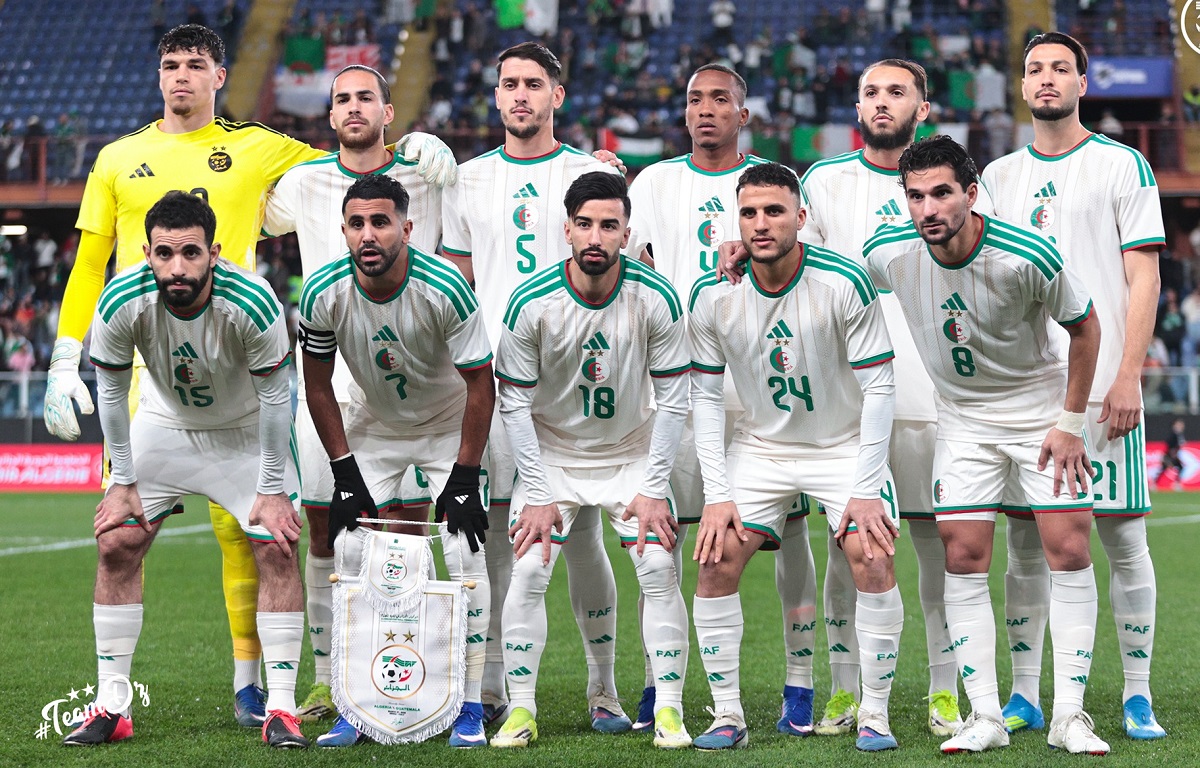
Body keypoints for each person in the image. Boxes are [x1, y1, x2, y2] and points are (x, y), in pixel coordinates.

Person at [41, 24, 455, 726]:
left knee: (255, 532)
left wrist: (412, 141)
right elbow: (89, 264)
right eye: (170, 64)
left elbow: (353, 162)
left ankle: (253, 686)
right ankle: (119, 699)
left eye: (194, 64)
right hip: (146, 369)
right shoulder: (117, 157)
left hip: (239, 359)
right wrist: (62, 356)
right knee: (122, 534)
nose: (181, 76)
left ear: (219, 75)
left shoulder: (261, 148)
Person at [726, 58, 983, 739]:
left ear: (922, 107)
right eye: (871, 92)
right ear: (858, 105)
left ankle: (944, 690)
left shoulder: (945, 181)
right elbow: (790, 266)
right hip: (846, 401)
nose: (881, 101)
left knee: (934, 545)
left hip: (931, 390)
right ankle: (845, 690)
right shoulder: (823, 180)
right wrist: (742, 248)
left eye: (897, 91)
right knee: (849, 548)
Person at [864, 135, 1105, 755]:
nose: (928, 209)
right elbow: (823, 268)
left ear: (971, 194)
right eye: (915, 197)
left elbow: (1085, 328)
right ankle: (986, 717)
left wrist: (1071, 422)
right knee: (963, 555)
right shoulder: (889, 253)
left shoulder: (1027, 254)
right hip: (963, 422)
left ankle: (1070, 716)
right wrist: (746, 251)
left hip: (1039, 417)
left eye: (941, 193)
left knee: (1068, 548)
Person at [63, 191, 308, 749]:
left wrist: (272, 489)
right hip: (165, 425)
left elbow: (278, 399)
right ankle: (112, 705)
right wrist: (123, 482)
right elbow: (111, 390)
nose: (178, 267)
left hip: (245, 431)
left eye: (191, 253)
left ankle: (281, 708)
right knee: (116, 543)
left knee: (277, 546)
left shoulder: (254, 301)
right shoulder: (121, 298)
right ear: (147, 253)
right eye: (165, 253)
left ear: (214, 253)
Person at [981, 31, 1167, 741]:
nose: (1048, 78)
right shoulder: (997, 176)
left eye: (1062, 68)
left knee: (1123, 536)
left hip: (1103, 389)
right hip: (1027, 392)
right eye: (1035, 69)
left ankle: (1138, 696)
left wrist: (1129, 374)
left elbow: (1143, 276)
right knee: (1025, 544)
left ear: (1083, 84)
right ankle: (1025, 693)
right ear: (1023, 85)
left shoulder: (1123, 163)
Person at [626, 64, 820, 737]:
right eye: (694, 99)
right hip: (677, 387)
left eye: (720, 99)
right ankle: (659, 681)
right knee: (671, 538)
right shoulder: (654, 183)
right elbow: (635, 274)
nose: (705, 109)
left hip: (763, 387)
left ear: (744, 114)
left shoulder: (773, 184)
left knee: (789, 536)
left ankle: (800, 683)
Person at [440, 41, 626, 730]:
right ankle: (491, 690)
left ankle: (603, 688)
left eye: (534, 84)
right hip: (489, 383)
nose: (520, 94)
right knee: (493, 534)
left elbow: (623, 267)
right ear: (495, 95)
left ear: (557, 95)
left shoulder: (588, 173)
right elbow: (458, 281)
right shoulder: (467, 179)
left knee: (582, 536)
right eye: (510, 83)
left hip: (572, 382)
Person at [690, 162, 903, 752]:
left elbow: (881, 387)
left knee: (871, 553)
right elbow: (704, 398)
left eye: (774, 211)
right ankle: (727, 715)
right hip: (762, 447)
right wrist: (717, 496)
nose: (761, 223)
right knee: (714, 561)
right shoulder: (713, 293)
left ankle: (875, 713)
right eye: (749, 213)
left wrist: (866, 489)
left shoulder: (844, 281)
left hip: (842, 445)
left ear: (801, 217)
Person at [260, 63, 446, 727]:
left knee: (407, 523)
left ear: (388, 112)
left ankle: (415, 670)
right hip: (328, 378)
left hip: (411, 379)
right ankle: (328, 676)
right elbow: (242, 206)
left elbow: (494, 204)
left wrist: (597, 165)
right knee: (324, 526)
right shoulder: (304, 181)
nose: (354, 107)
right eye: (343, 99)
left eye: (367, 96)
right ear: (331, 115)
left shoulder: (425, 174)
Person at [492, 171, 692, 749]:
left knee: (657, 564)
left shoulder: (656, 297)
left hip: (631, 452)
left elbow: (674, 400)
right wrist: (537, 492)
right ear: (567, 231)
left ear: (627, 233)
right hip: (552, 453)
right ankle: (521, 710)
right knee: (530, 567)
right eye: (585, 225)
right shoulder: (532, 301)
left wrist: (653, 489)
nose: (596, 237)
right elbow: (514, 404)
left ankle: (669, 709)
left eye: (609, 225)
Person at [297, 174, 494, 747]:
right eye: (356, 223)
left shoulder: (445, 286)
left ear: (407, 229)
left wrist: (463, 476)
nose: (368, 234)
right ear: (343, 230)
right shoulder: (322, 292)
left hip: (447, 423)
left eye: (380, 222)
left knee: (465, 551)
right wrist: (344, 473)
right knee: (349, 548)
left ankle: (471, 705)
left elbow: (481, 386)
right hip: (376, 423)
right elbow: (317, 387)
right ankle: (354, 702)